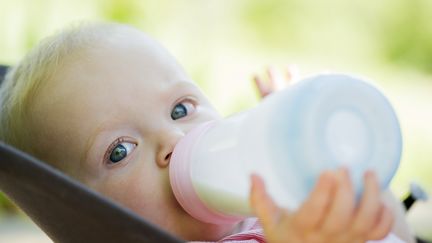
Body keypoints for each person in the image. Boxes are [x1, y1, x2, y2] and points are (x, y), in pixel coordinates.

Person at [0, 22, 414, 243]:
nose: (174, 142)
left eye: (180, 109)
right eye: (120, 151)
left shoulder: (272, 199)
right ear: (82, 216)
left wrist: (343, 174)